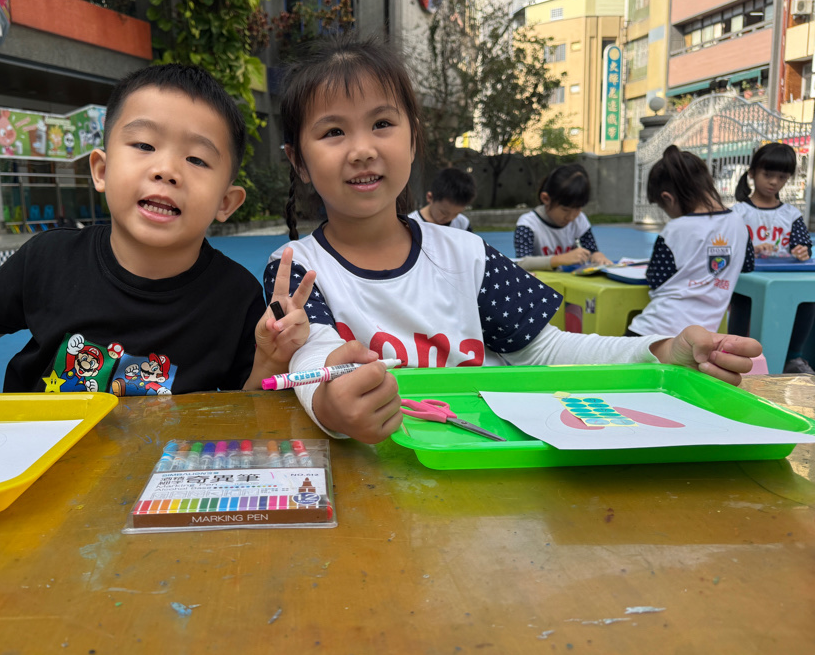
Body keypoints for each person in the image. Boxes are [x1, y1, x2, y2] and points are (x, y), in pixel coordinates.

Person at [265, 35, 762, 444]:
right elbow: (312, 355)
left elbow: (544, 352)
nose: (361, 149)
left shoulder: (466, 254)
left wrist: (657, 352)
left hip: (485, 470)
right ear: (298, 161)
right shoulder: (295, 267)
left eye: (381, 124)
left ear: (412, 138)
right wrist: (329, 405)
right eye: (333, 132)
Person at [0, 63, 315, 395]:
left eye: (196, 158)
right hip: (39, 466)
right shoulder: (49, 259)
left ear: (226, 202)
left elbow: (244, 413)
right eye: (144, 145)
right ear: (101, 170)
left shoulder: (236, 298)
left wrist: (271, 360)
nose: (167, 170)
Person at [627, 145, 754, 338]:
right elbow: (747, 265)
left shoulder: (675, 229)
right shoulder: (739, 224)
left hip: (654, 330)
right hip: (701, 337)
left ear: (668, 198)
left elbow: (656, 278)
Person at [730, 142, 815, 373]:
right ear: (752, 173)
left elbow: (803, 245)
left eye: (782, 177)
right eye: (768, 175)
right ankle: (736, 356)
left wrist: (802, 251)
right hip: (749, 280)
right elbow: (730, 246)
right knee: (743, 308)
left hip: (784, 279)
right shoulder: (739, 212)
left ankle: (793, 358)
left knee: (807, 301)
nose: (774, 182)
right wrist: (752, 249)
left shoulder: (791, 214)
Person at [513, 163, 611, 270]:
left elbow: (591, 250)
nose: (571, 217)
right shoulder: (528, 224)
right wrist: (559, 259)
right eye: (565, 210)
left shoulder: (579, 220)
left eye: (578, 209)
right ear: (546, 199)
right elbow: (521, 262)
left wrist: (597, 255)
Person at [407, 167, 474, 230]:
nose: (449, 218)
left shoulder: (462, 224)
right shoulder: (410, 224)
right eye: (444, 213)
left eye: (456, 214)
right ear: (430, 197)